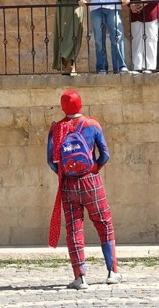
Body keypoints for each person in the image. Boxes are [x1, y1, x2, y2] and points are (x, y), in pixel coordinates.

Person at [46, 89, 122, 290]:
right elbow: (105, 154)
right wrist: (94, 168)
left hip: (68, 185)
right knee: (104, 223)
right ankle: (112, 272)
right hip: (91, 181)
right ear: (80, 104)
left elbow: (51, 162)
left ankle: (80, 277)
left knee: (74, 229)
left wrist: (66, 174)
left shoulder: (56, 129)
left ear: (63, 106)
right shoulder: (92, 125)